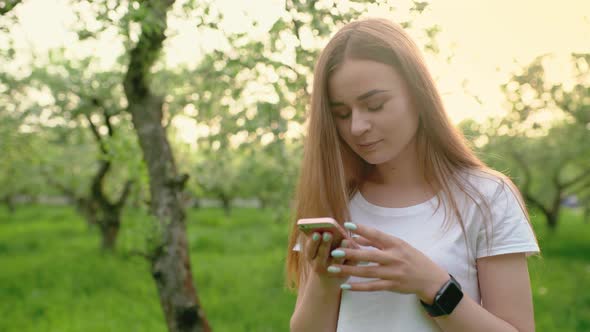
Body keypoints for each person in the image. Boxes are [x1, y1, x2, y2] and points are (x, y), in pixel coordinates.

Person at [286, 18, 540, 332]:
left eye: (375, 105)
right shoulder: (333, 196)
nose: (357, 127)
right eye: (342, 113)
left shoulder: (487, 196)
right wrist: (325, 281)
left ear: (419, 95)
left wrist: (433, 286)